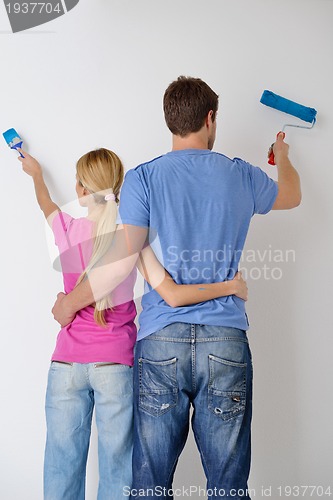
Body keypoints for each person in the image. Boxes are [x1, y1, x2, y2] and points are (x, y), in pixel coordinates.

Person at [51, 76, 301, 500]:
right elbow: (292, 195)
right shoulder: (241, 175)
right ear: (210, 119)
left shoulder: (143, 180)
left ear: (171, 122)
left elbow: (123, 258)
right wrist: (283, 158)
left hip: (159, 341)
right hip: (225, 339)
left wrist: (69, 304)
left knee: (149, 487)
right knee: (228, 487)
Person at [19, 145, 248, 500]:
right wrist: (230, 286)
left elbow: (46, 204)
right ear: (119, 189)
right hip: (116, 366)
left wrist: (35, 174)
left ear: (81, 190)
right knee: (118, 470)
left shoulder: (67, 229)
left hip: (66, 363)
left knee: (60, 465)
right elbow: (171, 293)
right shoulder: (134, 239)